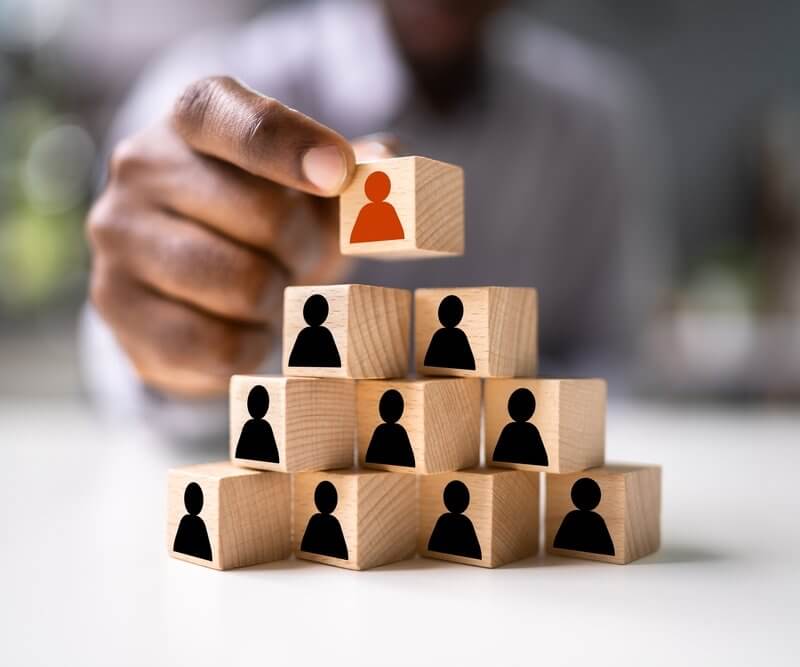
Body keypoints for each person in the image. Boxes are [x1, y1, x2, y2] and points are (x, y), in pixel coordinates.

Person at [82, 0, 666, 441]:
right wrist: (179, 349)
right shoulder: (219, 79)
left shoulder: (596, 120)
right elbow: (119, 363)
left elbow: (612, 356)